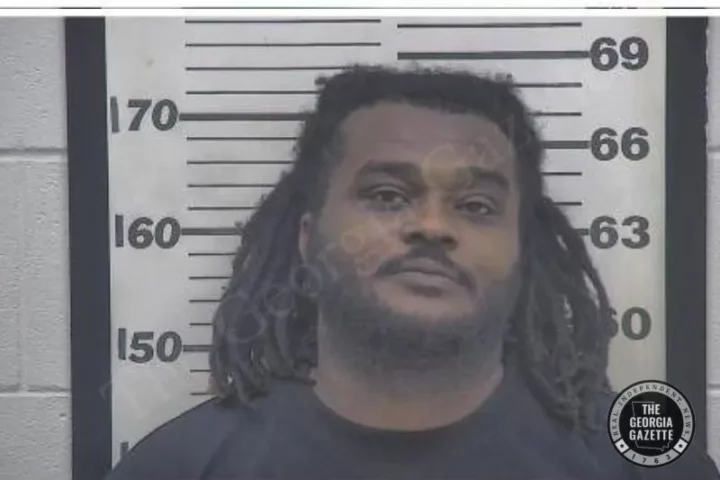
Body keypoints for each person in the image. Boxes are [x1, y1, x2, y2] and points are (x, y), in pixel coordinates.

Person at [106, 64, 719, 480]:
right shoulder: (180, 467)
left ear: (521, 255)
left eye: (476, 206)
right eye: (387, 195)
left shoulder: (640, 464)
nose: (431, 225)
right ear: (307, 239)